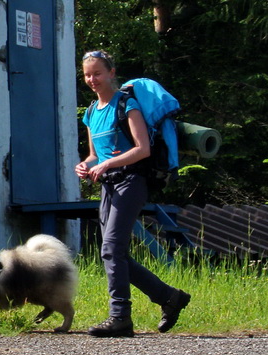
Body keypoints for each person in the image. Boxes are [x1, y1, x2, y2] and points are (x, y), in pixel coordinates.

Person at [75, 50, 191, 337]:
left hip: (132, 181)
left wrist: (107, 163)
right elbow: (93, 154)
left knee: (111, 250)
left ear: (112, 73)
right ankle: (170, 298)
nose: (92, 79)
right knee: (116, 253)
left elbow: (142, 149)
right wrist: (85, 165)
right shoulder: (91, 112)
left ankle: (120, 317)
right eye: (88, 74)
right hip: (109, 185)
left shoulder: (127, 105)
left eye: (97, 73)